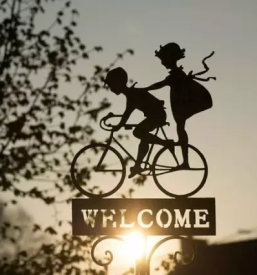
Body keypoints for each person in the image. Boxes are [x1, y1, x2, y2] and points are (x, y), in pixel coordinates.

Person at [140, 42, 215, 169]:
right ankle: (184, 159)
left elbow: (160, 84)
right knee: (180, 128)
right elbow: (162, 83)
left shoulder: (176, 75)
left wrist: (144, 89)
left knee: (180, 127)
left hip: (183, 104)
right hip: (180, 103)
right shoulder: (176, 74)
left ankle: (185, 161)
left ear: (169, 59)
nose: (162, 63)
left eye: (163, 60)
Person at [104, 67, 174, 178]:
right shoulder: (131, 95)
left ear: (118, 83)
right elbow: (126, 114)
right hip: (155, 115)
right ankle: (138, 165)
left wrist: (118, 126)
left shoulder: (132, 95)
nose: (111, 88)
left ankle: (165, 144)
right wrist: (119, 124)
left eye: (111, 85)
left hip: (158, 116)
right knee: (141, 133)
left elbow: (126, 114)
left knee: (139, 132)